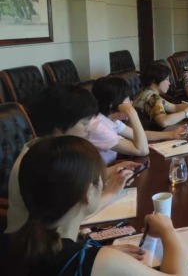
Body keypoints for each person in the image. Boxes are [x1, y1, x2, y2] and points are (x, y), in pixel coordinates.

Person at [2, 136, 188, 276]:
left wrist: (96, 256)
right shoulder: (98, 261)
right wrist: (167, 231)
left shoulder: (16, 246)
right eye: (100, 178)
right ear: (87, 193)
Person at [6, 85, 139, 234]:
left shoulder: (51, 148)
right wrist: (112, 192)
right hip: (33, 240)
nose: (88, 129)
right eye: (84, 123)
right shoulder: (46, 162)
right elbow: (73, 215)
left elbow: (74, 182)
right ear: (59, 125)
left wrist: (113, 172)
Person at [88, 77, 188, 164]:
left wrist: (172, 134)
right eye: (127, 100)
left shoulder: (110, 119)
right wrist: (132, 113)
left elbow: (142, 135)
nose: (131, 103)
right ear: (112, 104)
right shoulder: (99, 127)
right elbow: (142, 150)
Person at [133, 62, 188, 128]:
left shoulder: (145, 91)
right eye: (167, 79)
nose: (169, 83)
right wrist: (186, 112)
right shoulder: (152, 97)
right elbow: (163, 122)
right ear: (154, 80)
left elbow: (174, 107)